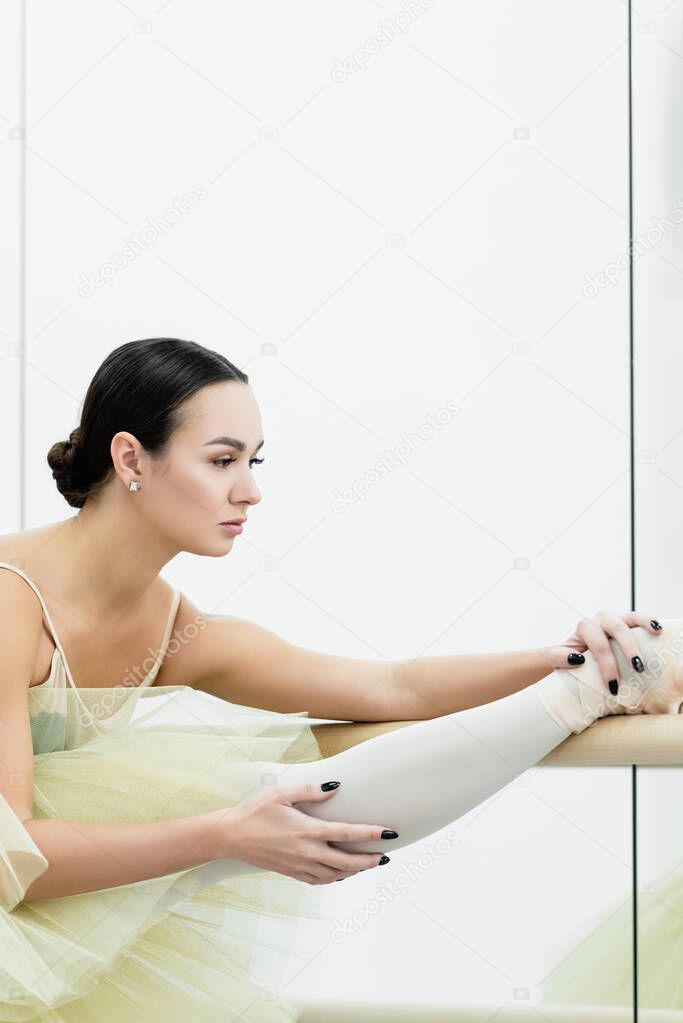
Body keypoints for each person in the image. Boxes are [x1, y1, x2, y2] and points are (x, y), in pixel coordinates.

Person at [1, 337, 678, 1022]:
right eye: (222, 460)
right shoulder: (9, 603)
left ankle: (593, 684)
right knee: (243, 803)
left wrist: (562, 655)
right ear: (130, 458)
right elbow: (16, 856)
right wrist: (222, 834)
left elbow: (390, 690)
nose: (251, 489)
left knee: (271, 794)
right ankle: (592, 691)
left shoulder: (168, 623)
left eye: (252, 461)